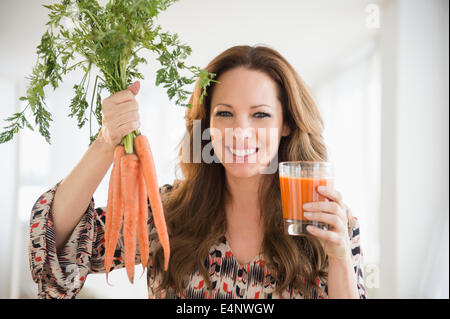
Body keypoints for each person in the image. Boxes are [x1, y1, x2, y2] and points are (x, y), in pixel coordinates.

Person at [29, 45, 367, 299]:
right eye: (225, 114)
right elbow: (56, 248)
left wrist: (339, 259)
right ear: (206, 125)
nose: (240, 132)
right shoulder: (166, 213)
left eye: (260, 115)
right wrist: (106, 142)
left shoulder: (328, 221)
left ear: (287, 123)